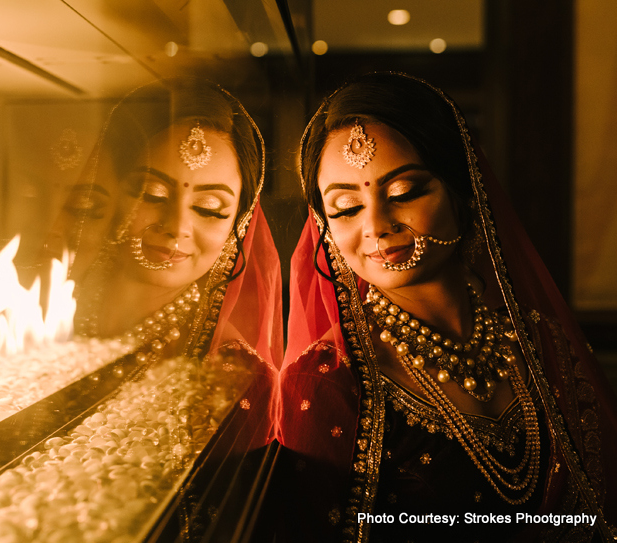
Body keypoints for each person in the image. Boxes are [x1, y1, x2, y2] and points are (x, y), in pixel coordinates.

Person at [277, 72, 617, 542]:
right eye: (345, 208)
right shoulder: (327, 379)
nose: (376, 225)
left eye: (404, 193)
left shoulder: (542, 343)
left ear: (463, 189)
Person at [43, 77, 282, 452]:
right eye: (152, 194)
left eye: (210, 209)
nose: (177, 229)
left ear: (239, 223)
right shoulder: (33, 309)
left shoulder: (232, 376)